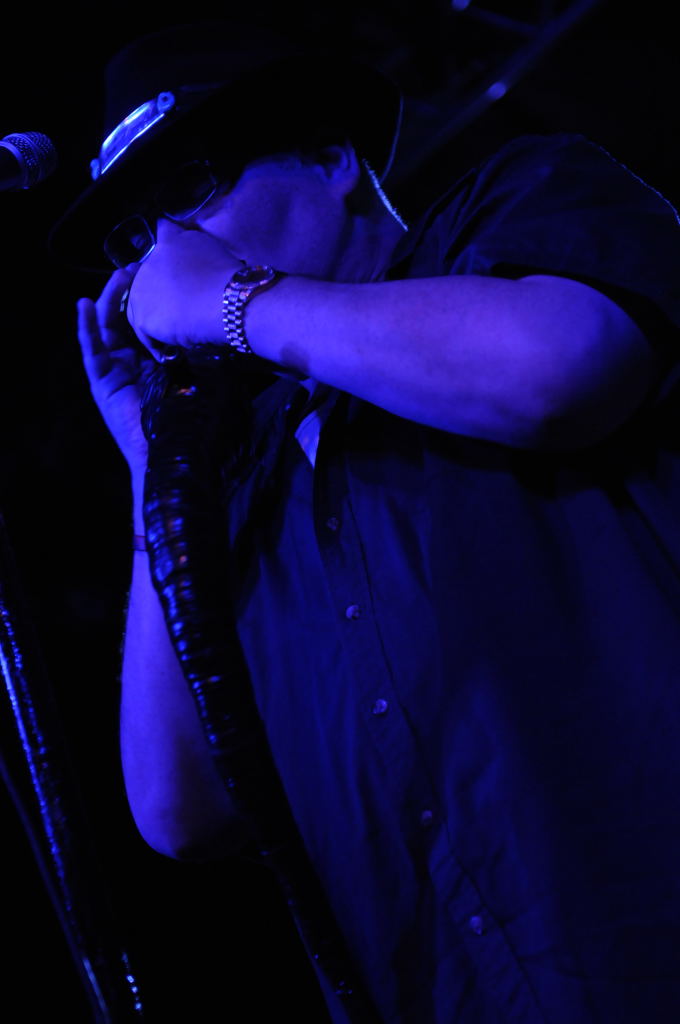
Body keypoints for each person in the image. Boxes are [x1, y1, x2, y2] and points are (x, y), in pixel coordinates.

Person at [50, 18, 680, 1024]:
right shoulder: (246, 476)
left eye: (190, 191)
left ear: (328, 157)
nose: (166, 254)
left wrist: (235, 303)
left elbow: (558, 369)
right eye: (136, 240)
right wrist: (152, 470)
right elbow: (182, 810)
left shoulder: (510, 207)